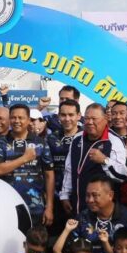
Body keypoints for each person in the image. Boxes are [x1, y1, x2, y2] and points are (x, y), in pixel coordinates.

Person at [0, 104, 54, 226]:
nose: (17, 121)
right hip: (7, 206)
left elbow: (49, 175)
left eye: (21, 118)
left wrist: (49, 207)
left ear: (29, 120)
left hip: (35, 206)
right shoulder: (0, 142)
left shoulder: (40, 143)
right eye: (13, 117)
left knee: (36, 238)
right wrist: (24, 158)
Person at [59, 103, 127, 216]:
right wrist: (65, 194)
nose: (90, 122)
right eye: (87, 118)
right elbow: (69, 169)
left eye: (94, 119)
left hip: (101, 209)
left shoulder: (114, 141)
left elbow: (122, 175)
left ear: (105, 119)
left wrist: (104, 160)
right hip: (77, 203)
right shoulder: (77, 138)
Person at [71, 176, 127, 253]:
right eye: (87, 195)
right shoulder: (82, 218)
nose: (90, 200)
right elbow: (71, 248)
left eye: (95, 195)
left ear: (110, 195)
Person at [47, 100, 82, 239]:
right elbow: (46, 170)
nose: (67, 119)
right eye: (63, 115)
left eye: (71, 115)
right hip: (55, 197)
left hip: (78, 197)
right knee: (53, 238)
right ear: (58, 116)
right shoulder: (51, 138)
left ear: (79, 116)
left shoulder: (85, 137)